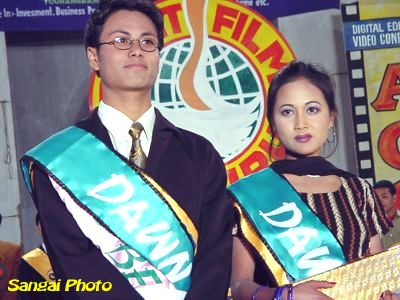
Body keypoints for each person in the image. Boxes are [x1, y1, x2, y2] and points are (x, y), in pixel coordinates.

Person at [20, 1, 233, 299]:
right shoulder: (58, 160)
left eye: (148, 41)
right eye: (121, 40)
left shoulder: (200, 154)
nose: (137, 50)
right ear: (94, 57)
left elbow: (215, 256)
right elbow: (74, 261)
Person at [228, 61, 393, 299]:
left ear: (331, 117)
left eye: (312, 109)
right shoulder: (249, 195)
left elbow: (375, 278)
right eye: (287, 112)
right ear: (273, 122)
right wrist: (285, 296)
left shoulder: (358, 190)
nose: (300, 123)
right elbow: (240, 286)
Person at [17, 214, 58, 299]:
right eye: (44, 225)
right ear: (38, 229)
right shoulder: (28, 262)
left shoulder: (73, 257)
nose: (48, 230)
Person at [374, 180, 400, 249]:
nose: (379, 201)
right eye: (376, 198)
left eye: (384, 197)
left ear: (394, 198)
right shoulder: (371, 225)